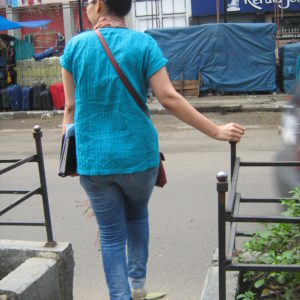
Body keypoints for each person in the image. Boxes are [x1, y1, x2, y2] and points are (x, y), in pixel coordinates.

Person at [60, 0, 245, 299]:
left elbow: (70, 107)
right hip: (139, 158)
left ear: (99, 5)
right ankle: (139, 286)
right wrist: (216, 131)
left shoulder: (75, 47)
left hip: (94, 161)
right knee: (137, 217)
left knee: (110, 236)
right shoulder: (144, 44)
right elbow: (168, 97)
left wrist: (69, 151)